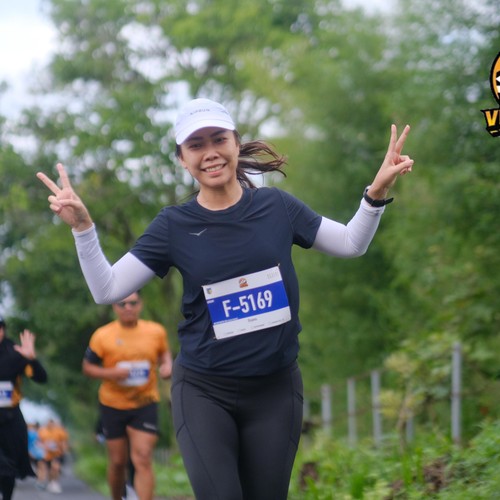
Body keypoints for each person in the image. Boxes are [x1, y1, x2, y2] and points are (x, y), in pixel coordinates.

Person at [37, 97, 414, 500]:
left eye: (219, 139)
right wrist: (83, 229)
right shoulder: (173, 225)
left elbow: (351, 243)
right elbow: (108, 289)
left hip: (275, 390)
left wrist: (375, 193)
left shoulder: (277, 206)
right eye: (196, 145)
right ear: (182, 159)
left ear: (236, 143)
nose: (210, 152)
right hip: (204, 391)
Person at [81, 291, 172, 500]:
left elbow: (164, 353)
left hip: (145, 402)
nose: (128, 308)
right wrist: (110, 373)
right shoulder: (102, 335)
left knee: (143, 457)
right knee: (118, 462)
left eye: (133, 303)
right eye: (122, 304)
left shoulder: (155, 331)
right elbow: (87, 367)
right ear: (115, 307)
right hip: (112, 404)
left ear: (141, 304)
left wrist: (167, 366)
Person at [0, 319, 48, 500]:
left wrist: (32, 359)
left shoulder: (15, 353)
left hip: (10, 416)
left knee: (9, 467)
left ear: (3, 330)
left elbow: (41, 378)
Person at [37, 418, 69, 494]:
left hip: (56, 453)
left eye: (52, 424)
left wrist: (64, 450)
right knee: (45, 469)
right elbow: (38, 442)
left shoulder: (59, 431)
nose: (50, 425)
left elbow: (64, 441)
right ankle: (45, 482)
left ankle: (54, 482)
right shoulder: (42, 431)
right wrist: (43, 446)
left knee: (55, 467)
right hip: (45, 454)